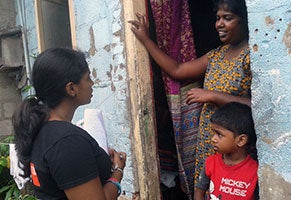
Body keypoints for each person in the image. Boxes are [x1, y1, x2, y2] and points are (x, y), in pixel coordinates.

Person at [129, 0, 251, 195]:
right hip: (209, 140)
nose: (219, 24)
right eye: (218, 18)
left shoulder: (251, 55)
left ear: (244, 20)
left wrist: (212, 96)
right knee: (205, 190)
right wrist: (146, 40)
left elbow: (255, 105)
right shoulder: (217, 55)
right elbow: (177, 70)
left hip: (235, 145)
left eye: (227, 18)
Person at [12, 48, 126, 200]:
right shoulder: (66, 141)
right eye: (88, 78)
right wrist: (118, 172)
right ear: (71, 88)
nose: (92, 83)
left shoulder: (43, 130)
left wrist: (98, 161)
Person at [194, 102, 258, 200]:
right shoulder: (211, 162)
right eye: (214, 133)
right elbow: (199, 192)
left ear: (241, 140)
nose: (213, 139)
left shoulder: (255, 171)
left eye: (219, 134)